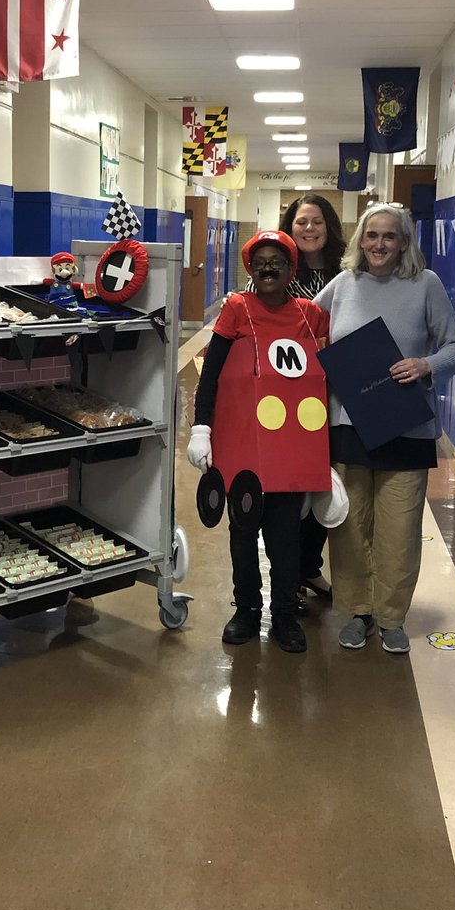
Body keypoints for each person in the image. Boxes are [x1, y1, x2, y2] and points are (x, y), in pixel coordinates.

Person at [313, 203, 455, 654]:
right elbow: (304, 326)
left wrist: (426, 364)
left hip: (404, 427)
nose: (379, 244)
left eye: (389, 236)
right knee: (349, 526)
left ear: (404, 242)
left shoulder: (426, 285)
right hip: (348, 425)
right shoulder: (343, 285)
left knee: (399, 529)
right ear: (360, 241)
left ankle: (391, 616)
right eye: (371, 236)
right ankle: (358, 612)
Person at [187, 230, 330, 653]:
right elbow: (210, 372)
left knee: (286, 536)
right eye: (260, 262)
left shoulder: (308, 314)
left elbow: (329, 371)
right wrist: (201, 427)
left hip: (291, 451)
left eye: (278, 262)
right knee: (243, 531)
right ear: (250, 268)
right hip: (243, 448)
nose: (269, 269)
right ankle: (246, 608)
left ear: (291, 269)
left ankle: (284, 613)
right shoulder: (237, 308)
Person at [280, 193, 347, 603]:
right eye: (301, 222)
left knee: (324, 482)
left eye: (316, 222)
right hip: (288, 394)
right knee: (290, 486)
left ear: (329, 227)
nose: (309, 229)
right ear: (290, 227)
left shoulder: (349, 271)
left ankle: (310, 568)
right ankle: (288, 577)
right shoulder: (276, 269)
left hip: (336, 390)